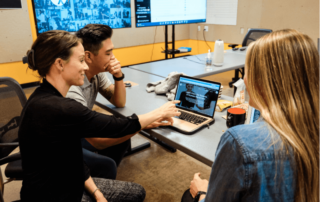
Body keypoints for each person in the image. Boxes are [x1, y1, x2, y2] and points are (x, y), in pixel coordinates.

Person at [19, 30, 180, 202]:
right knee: (136, 191)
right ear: (60, 64)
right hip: (55, 195)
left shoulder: (42, 97)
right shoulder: (61, 108)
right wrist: (160, 112)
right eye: (81, 61)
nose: (86, 67)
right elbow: (117, 127)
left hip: (63, 183)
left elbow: (71, 158)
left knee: (136, 191)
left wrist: (97, 192)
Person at [182, 29, 320, 202]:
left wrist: (202, 194)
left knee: (188, 196)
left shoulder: (239, 142)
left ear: (262, 81)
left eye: (248, 71)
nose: (244, 79)